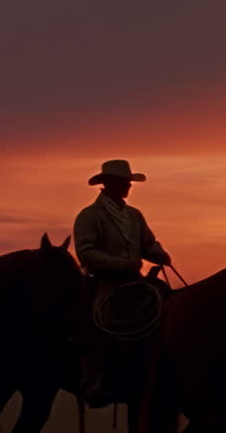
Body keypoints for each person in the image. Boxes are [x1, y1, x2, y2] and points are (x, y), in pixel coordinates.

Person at [73, 159, 171, 406]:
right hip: (105, 281)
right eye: (125, 182)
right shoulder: (89, 216)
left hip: (134, 280)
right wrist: (120, 263)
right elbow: (86, 252)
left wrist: (158, 253)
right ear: (109, 184)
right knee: (103, 323)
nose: (128, 186)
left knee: (166, 301)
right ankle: (96, 377)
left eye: (129, 182)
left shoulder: (134, 215)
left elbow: (147, 242)